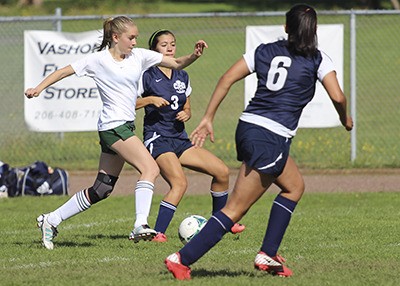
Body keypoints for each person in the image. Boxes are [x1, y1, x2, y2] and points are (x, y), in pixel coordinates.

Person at [164, 4, 353, 280]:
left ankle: (268, 253)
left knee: (294, 186)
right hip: (270, 136)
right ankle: (181, 258)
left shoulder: (265, 50)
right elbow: (337, 96)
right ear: (314, 31)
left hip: (249, 127)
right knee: (235, 209)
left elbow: (227, 77)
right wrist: (345, 118)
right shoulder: (318, 59)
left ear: (286, 27)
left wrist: (208, 117)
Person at [24, 16, 207, 250]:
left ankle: (51, 219)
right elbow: (63, 71)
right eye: (131, 37)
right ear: (115, 37)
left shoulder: (139, 56)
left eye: (136, 37)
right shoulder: (97, 60)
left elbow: (177, 63)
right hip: (113, 126)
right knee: (150, 169)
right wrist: (38, 88)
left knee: (102, 189)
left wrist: (194, 55)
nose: (134, 41)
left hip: (124, 127)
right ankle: (140, 225)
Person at [136, 30, 245, 243]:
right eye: (164, 44)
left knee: (222, 172)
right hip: (158, 138)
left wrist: (187, 113)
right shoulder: (146, 75)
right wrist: (149, 100)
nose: (169, 48)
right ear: (154, 50)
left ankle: (221, 223)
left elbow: (187, 105)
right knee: (179, 183)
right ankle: (157, 233)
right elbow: (128, 103)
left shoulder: (182, 75)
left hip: (180, 139)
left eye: (172, 44)